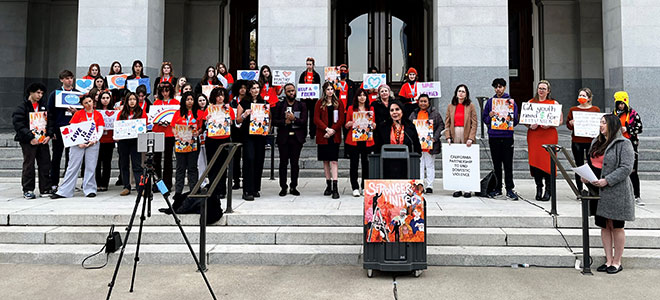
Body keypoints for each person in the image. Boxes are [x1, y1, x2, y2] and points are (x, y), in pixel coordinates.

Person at [584, 113, 635, 274]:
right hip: (597, 190)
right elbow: (591, 162)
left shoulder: (623, 143)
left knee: (616, 225)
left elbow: (626, 167)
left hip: (616, 191)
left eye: (604, 123)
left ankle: (617, 261)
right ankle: (608, 260)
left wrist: (608, 180)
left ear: (612, 125)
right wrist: (585, 175)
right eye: (600, 122)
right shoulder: (596, 141)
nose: (600, 125)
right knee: (604, 225)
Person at [51, 94, 105, 198]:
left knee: (91, 166)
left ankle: (90, 189)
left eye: (90, 101)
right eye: (86, 103)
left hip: (92, 143)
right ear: (82, 105)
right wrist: (77, 142)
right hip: (77, 143)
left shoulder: (98, 115)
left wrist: (95, 140)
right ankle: (65, 191)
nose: (88, 104)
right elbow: (72, 129)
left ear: (93, 102)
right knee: (72, 166)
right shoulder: (78, 114)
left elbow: (100, 129)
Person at [12, 83, 54, 198]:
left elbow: (50, 121)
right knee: (29, 165)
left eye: (41, 93)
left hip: (42, 140)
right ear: (31, 92)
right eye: (37, 92)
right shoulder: (22, 107)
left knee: (45, 163)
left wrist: (49, 135)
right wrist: (30, 137)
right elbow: (19, 124)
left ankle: (45, 188)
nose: (40, 95)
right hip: (28, 141)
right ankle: (28, 189)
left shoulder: (44, 106)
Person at [482, 78, 519, 199]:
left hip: (507, 136)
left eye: (500, 87)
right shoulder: (490, 102)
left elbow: (516, 120)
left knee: (508, 164)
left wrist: (510, 118)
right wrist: (490, 116)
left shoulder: (511, 102)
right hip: (494, 136)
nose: (498, 89)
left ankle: (509, 188)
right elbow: (485, 118)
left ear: (505, 87)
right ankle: (497, 188)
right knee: (497, 164)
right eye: (496, 87)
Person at [525, 80, 563, 201]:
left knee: (548, 163)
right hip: (535, 136)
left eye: (543, 89)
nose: (541, 90)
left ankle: (548, 190)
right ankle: (539, 187)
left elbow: (560, 121)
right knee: (535, 162)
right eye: (539, 88)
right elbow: (525, 120)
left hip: (549, 135)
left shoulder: (554, 103)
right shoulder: (530, 103)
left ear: (548, 91)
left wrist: (550, 124)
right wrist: (530, 125)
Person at [46, 70, 79, 191]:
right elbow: (50, 114)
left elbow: (83, 112)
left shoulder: (78, 94)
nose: (69, 80)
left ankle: (69, 183)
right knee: (56, 157)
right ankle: (54, 183)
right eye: (67, 78)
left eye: (71, 78)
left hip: (73, 129)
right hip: (59, 129)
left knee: (71, 158)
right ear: (61, 80)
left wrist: (76, 112)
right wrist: (51, 131)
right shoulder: (55, 94)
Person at [236, 81, 269, 201]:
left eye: (257, 88)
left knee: (259, 160)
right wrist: (245, 115)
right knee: (249, 159)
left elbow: (268, 118)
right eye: (253, 88)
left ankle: (255, 188)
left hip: (260, 135)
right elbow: (238, 120)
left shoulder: (264, 102)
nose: (255, 90)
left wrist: (267, 129)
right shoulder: (243, 103)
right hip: (248, 135)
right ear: (249, 90)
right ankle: (247, 190)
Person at [272, 83, 307, 196]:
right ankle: (283, 186)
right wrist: (284, 122)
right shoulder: (279, 105)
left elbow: (304, 121)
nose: (291, 93)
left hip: (296, 138)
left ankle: (294, 186)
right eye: (289, 91)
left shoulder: (301, 105)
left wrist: (294, 119)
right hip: (284, 138)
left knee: (294, 163)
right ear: (285, 93)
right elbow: (274, 121)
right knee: (283, 163)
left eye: (293, 91)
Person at [445, 84, 478, 198]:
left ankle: (467, 189)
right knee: (456, 162)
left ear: (466, 93)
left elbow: (474, 123)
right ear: (456, 93)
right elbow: (447, 123)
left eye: (463, 91)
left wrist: (471, 138)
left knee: (466, 162)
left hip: (466, 133)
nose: (461, 93)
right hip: (455, 134)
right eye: (459, 91)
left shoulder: (471, 106)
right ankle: (457, 187)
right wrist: (448, 136)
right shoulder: (451, 106)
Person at [566, 87, 600, 194]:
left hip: (591, 141)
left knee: (592, 164)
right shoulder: (573, 110)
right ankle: (580, 189)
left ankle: (592, 187)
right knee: (579, 165)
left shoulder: (595, 110)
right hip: (577, 141)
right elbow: (568, 125)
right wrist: (571, 123)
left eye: (584, 96)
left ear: (589, 98)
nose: (581, 97)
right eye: (580, 95)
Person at [314, 82, 346, 199]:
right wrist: (326, 129)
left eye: (332, 89)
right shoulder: (319, 103)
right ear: (324, 90)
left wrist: (332, 130)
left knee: (334, 161)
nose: (330, 91)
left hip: (334, 135)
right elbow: (316, 119)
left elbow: (341, 119)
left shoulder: (338, 103)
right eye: (328, 89)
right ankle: (328, 185)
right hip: (323, 135)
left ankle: (335, 186)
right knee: (325, 161)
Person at [612, 91, 644, 206]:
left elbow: (639, 128)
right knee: (618, 169)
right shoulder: (614, 114)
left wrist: (628, 129)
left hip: (631, 144)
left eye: (622, 103)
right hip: (617, 143)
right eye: (619, 104)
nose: (621, 106)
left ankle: (636, 195)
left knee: (633, 170)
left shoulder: (633, 114)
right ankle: (620, 194)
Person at [171, 91, 205, 197]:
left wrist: (197, 132)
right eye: (187, 99)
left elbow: (202, 127)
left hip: (193, 142)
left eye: (191, 99)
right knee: (180, 167)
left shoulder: (199, 113)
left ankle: (193, 190)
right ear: (184, 101)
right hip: (180, 143)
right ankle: (178, 191)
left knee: (192, 167)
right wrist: (176, 134)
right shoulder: (178, 113)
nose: (189, 101)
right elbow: (173, 126)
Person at [409, 94, 444, 194]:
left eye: (425, 101)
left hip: (430, 144)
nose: (423, 103)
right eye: (421, 101)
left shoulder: (435, 113)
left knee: (430, 164)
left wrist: (435, 138)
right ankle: (420, 184)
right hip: (418, 144)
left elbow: (441, 126)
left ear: (429, 102)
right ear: (418, 102)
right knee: (419, 165)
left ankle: (429, 185)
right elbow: (409, 125)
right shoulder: (414, 113)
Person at [344, 89, 376, 197]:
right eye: (360, 95)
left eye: (364, 95)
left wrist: (373, 124)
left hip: (366, 140)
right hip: (354, 140)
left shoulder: (370, 109)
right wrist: (349, 123)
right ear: (356, 97)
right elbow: (346, 125)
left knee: (366, 165)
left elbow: (373, 124)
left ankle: (364, 186)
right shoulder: (351, 109)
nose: (362, 97)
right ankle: (355, 187)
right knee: (354, 164)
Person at [204, 87, 234, 200]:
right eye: (218, 95)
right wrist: (206, 120)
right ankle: (213, 188)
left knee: (222, 165)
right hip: (211, 139)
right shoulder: (209, 109)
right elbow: (204, 124)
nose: (220, 97)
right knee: (212, 164)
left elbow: (232, 122)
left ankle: (222, 190)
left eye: (222, 95)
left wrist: (229, 118)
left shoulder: (228, 108)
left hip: (224, 138)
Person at [115, 92, 146, 196]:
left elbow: (144, 125)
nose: (132, 101)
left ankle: (140, 187)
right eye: (130, 99)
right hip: (123, 141)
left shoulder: (141, 112)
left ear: (137, 101)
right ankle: (126, 186)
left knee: (137, 165)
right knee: (124, 164)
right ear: (126, 101)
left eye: (134, 99)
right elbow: (117, 126)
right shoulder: (121, 113)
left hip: (135, 141)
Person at [152, 82, 179, 191]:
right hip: (158, 132)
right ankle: (158, 184)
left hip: (169, 133)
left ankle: (167, 184)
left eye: (167, 90)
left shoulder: (175, 102)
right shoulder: (156, 103)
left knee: (168, 159)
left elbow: (178, 117)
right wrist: (158, 122)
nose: (165, 93)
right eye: (162, 91)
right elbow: (153, 118)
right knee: (156, 159)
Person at [230, 80, 248, 189]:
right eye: (240, 87)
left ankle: (246, 179)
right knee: (235, 157)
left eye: (244, 87)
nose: (242, 90)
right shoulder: (232, 102)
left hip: (246, 131)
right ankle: (236, 180)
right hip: (235, 131)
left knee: (246, 157)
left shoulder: (248, 101)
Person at [95, 91, 115, 192]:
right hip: (98, 139)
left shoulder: (114, 111)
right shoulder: (96, 111)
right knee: (97, 162)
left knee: (107, 163)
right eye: (103, 98)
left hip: (109, 140)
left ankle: (105, 183)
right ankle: (97, 183)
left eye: (107, 98)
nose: (105, 100)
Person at [298, 57, 321, 139]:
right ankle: (303, 133)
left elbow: (318, 87)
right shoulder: (303, 75)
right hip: (304, 99)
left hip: (313, 100)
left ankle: (312, 133)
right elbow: (300, 86)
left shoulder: (316, 75)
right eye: (307, 64)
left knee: (312, 116)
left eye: (310, 64)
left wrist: (313, 95)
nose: (309, 66)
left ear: (313, 65)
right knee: (304, 116)